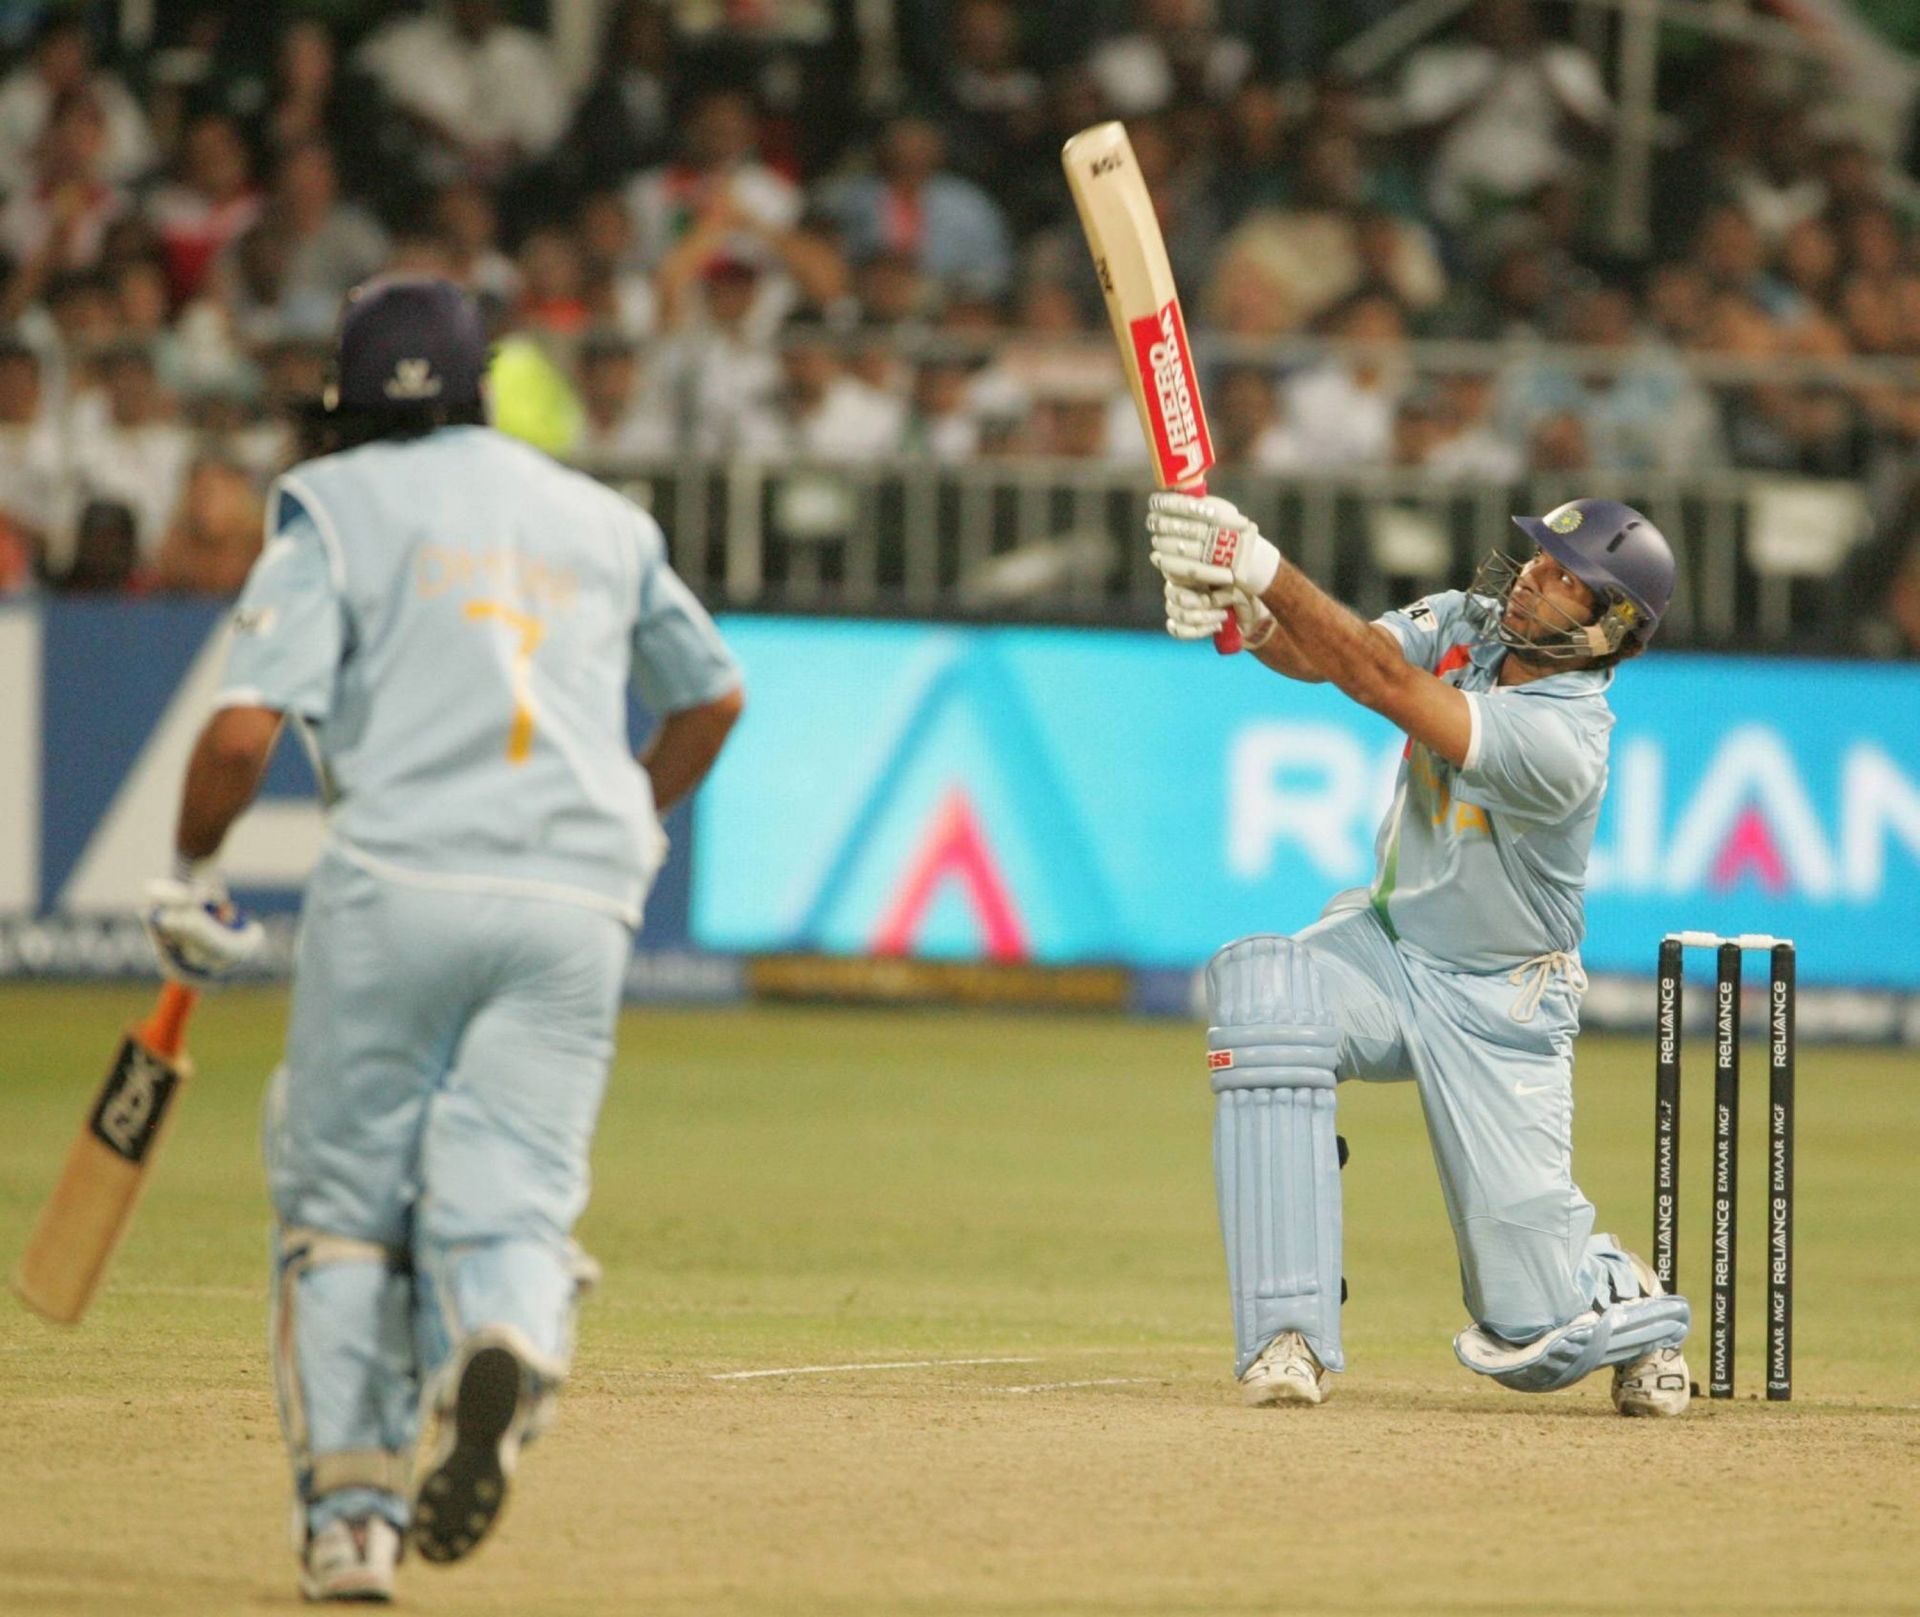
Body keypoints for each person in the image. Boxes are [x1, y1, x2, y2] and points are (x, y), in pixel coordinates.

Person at [141, 276, 744, 1601]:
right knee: (513, 1174)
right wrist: (623, 828)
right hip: (579, 904)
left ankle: (353, 1518)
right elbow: (712, 698)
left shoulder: (333, 508)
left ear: (345, 406)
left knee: (343, 1209)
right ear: (479, 390)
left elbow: (244, 733)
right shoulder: (602, 518)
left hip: (399, 881)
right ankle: (512, 1335)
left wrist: (190, 874)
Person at [1147, 488, 1690, 1417]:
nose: (1532, 579)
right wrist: (1247, 620)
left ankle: (1619, 1291)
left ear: (1609, 629)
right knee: (1265, 993)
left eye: (1566, 581)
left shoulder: (1565, 740)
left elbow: (1385, 686)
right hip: (1389, 950)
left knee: (1529, 1328)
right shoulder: (1470, 624)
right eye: (1539, 559)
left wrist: (1264, 565)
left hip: (1501, 1007)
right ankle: (1289, 1332)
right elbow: (1333, 657)